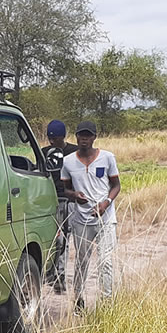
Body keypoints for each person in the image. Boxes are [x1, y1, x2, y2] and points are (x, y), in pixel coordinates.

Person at [60, 120, 121, 314]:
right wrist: (74, 196)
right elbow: (66, 188)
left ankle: (107, 303)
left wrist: (106, 203)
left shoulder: (107, 158)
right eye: (81, 135)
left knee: (105, 261)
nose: (84, 139)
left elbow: (116, 186)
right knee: (81, 260)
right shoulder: (68, 161)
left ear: (95, 137)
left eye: (88, 135)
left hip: (105, 218)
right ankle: (78, 300)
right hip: (81, 219)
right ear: (76, 137)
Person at [41, 120, 78, 293]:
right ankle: (50, 272)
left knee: (63, 239)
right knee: (50, 238)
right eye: (50, 138)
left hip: (66, 199)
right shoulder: (44, 152)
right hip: (48, 199)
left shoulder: (73, 152)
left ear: (63, 136)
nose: (51, 141)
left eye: (54, 138)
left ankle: (59, 275)